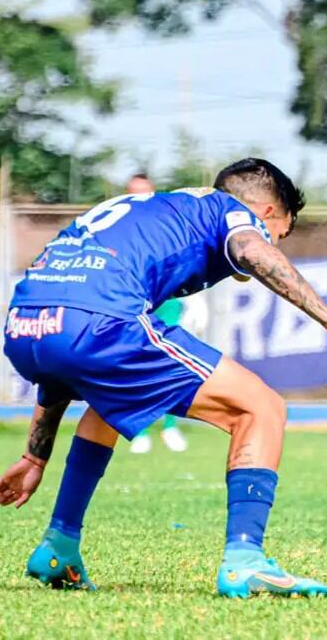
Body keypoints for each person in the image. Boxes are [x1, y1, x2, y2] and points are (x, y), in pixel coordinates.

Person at [0, 158, 327, 598]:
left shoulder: (152, 210)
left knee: (112, 406)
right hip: (100, 322)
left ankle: (59, 546)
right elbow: (250, 250)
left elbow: (67, 342)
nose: (277, 241)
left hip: (25, 325)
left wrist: (35, 457)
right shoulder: (230, 209)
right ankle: (245, 560)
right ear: (269, 213)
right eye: (283, 233)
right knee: (262, 408)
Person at [121, 174, 189, 454]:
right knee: (136, 366)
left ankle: (171, 427)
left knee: (171, 364)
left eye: (145, 193)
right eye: (133, 193)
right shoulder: (118, 226)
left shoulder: (167, 224)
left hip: (167, 302)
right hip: (134, 303)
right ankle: (141, 430)